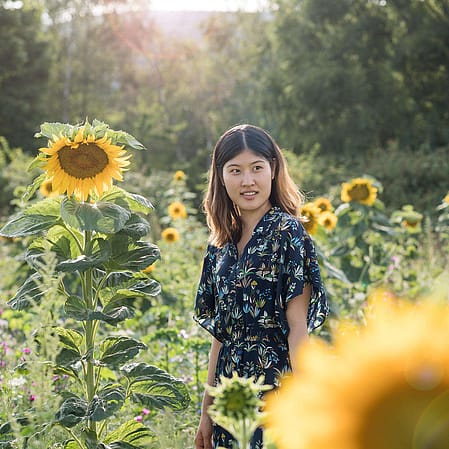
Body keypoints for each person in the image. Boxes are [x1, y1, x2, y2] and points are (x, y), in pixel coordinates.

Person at [193, 124, 329, 449]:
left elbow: (298, 330)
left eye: (257, 168)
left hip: (277, 392)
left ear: (273, 169)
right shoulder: (219, 245)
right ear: (221, 177)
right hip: (230, 396)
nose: (248, 181)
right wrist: (206, 413)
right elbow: (219, 337)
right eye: (235, 170)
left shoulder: (288, 234)